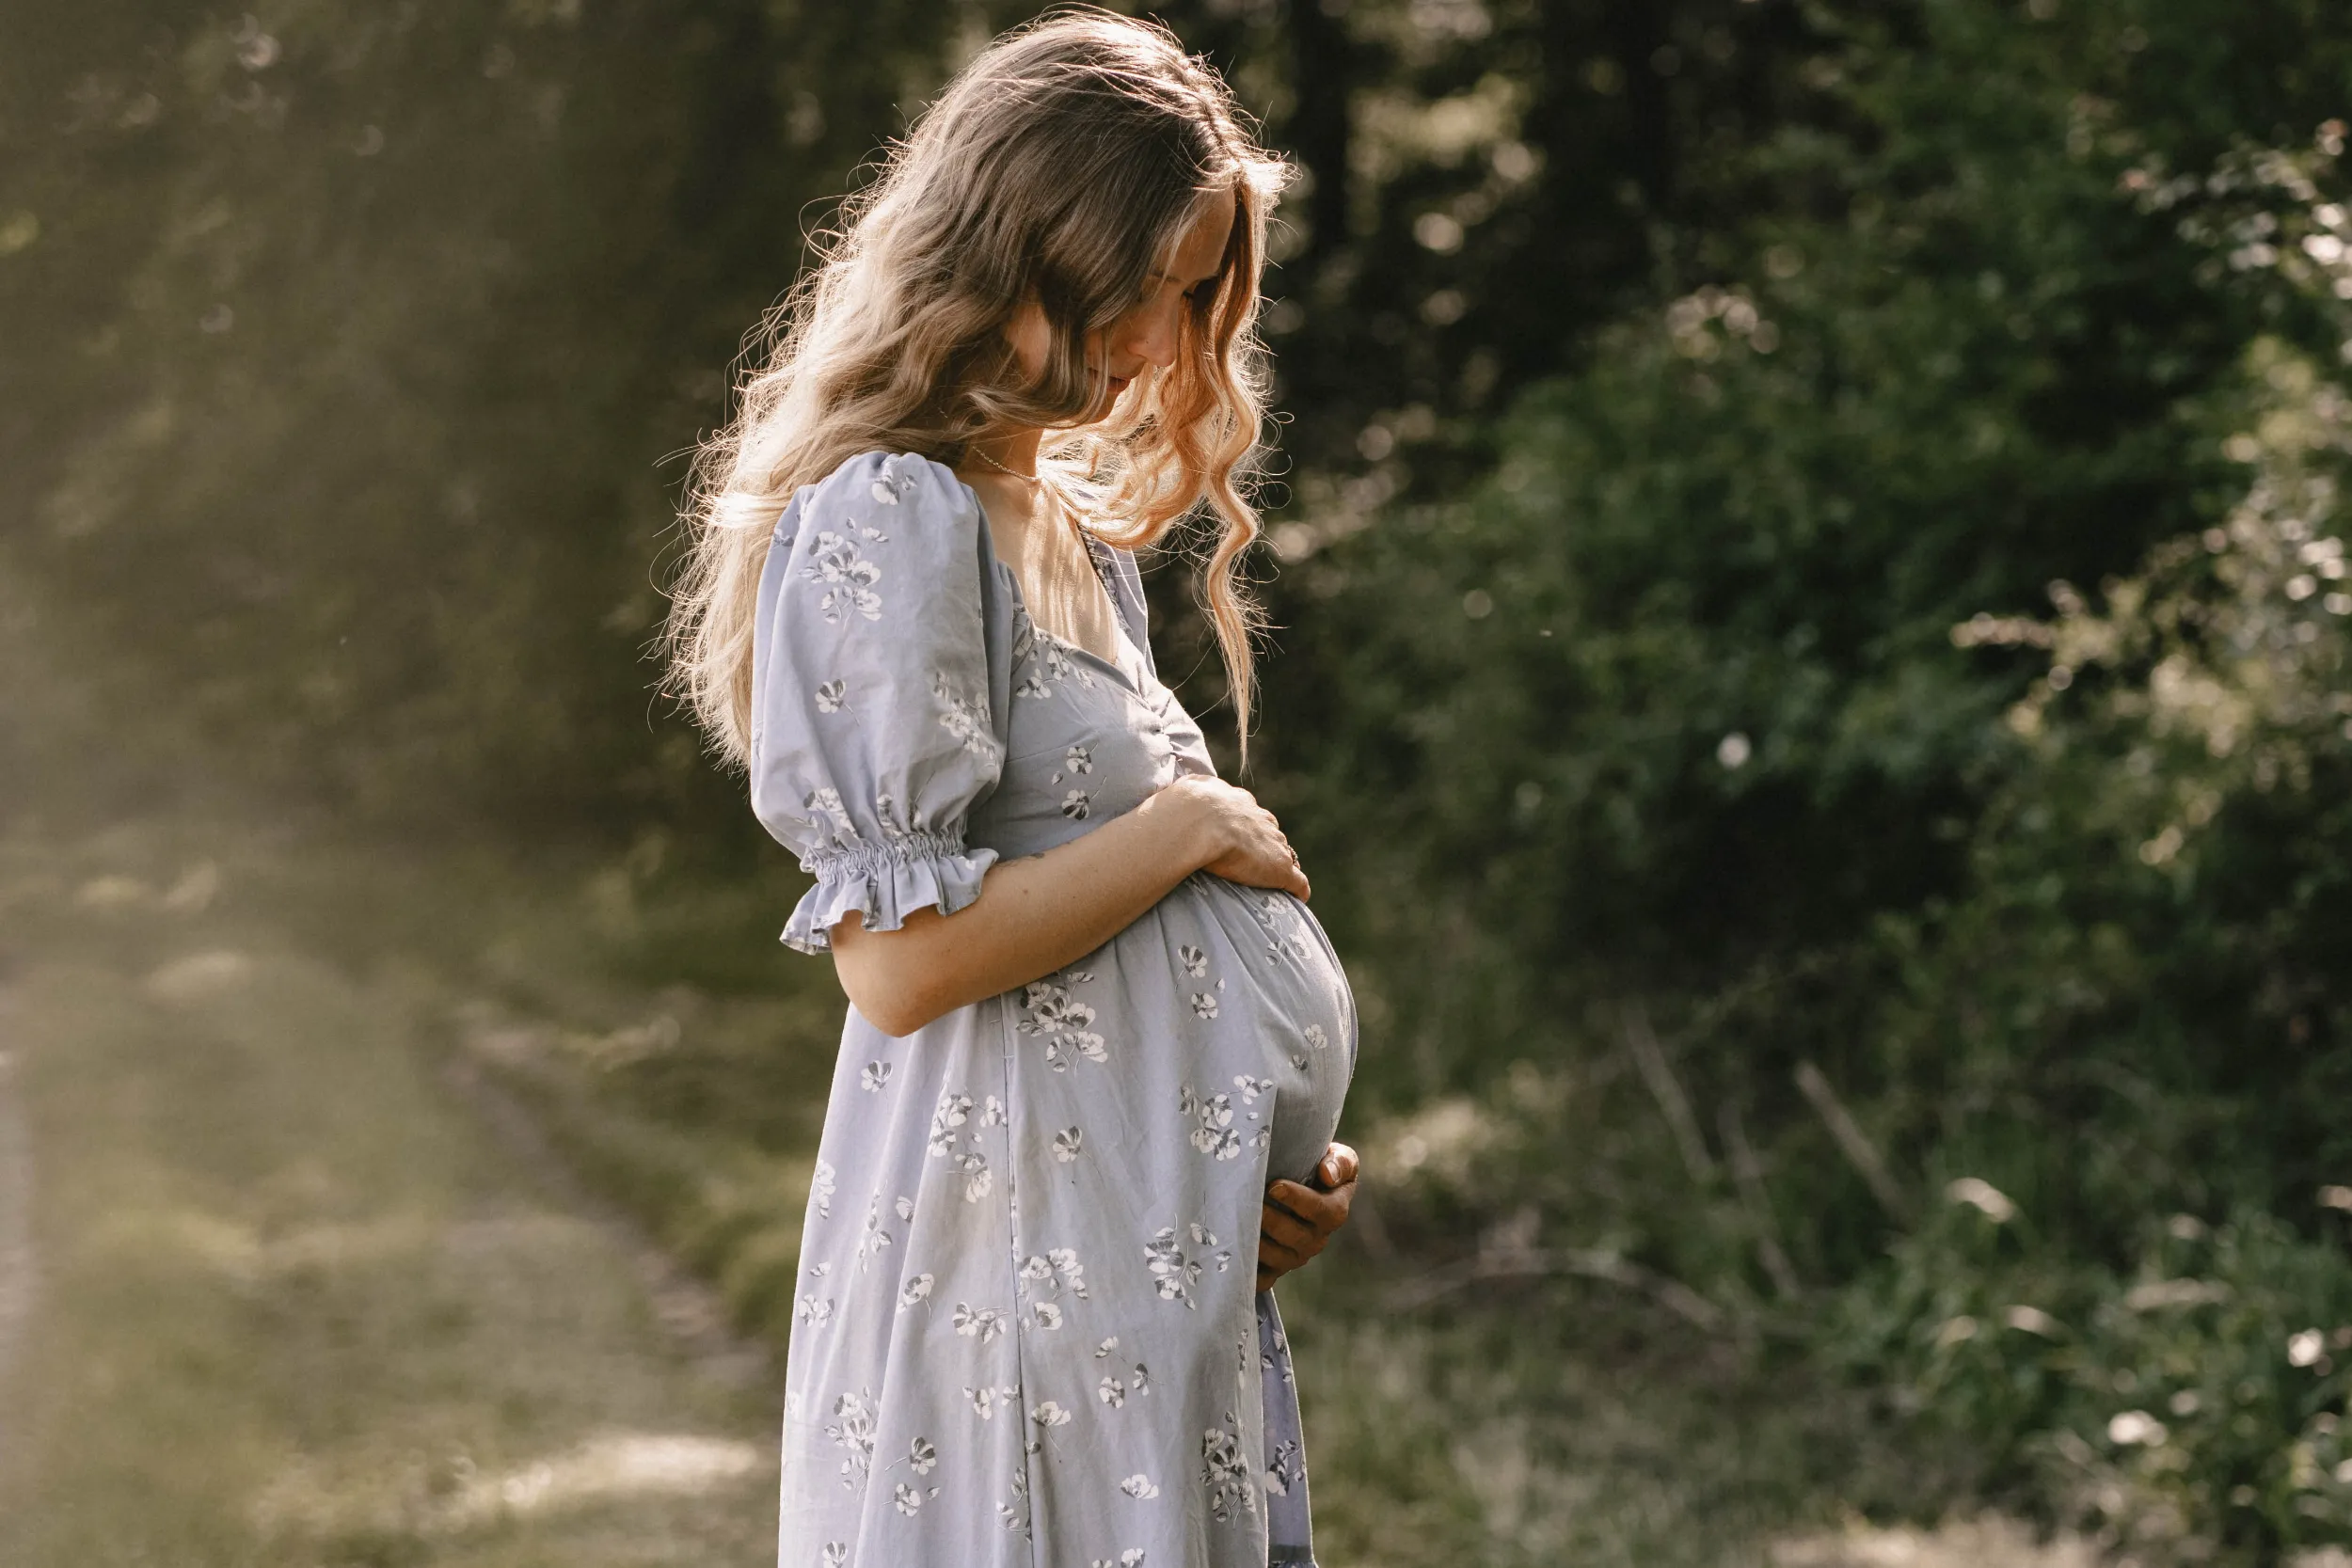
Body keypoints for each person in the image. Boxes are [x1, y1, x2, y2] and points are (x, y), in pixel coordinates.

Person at [663, 11, 1359, 1565]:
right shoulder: (892, 518)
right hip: (1010, 1296)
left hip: (1136, 1270)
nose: (1180, 346)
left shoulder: (1062, 524)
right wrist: (1186, 830)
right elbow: (901, 965)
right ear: (1044, 245)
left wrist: (1249, 1169)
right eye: (1169, 291)